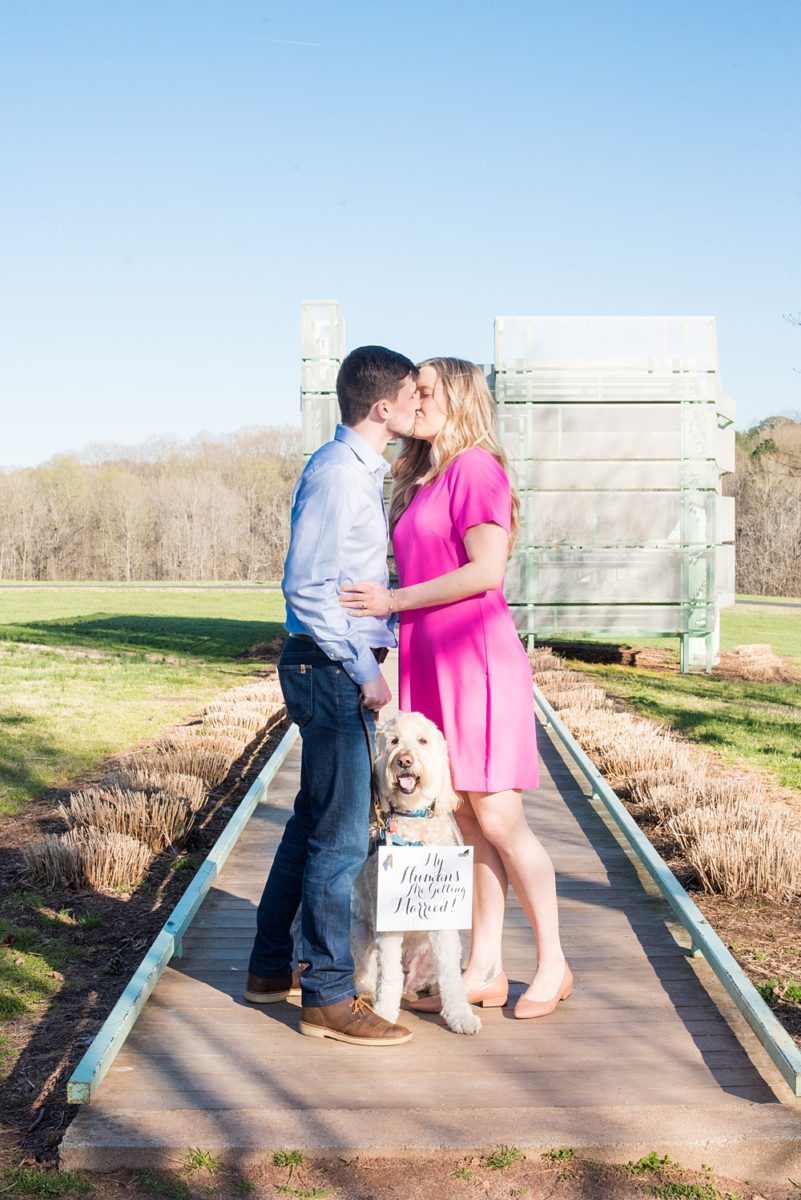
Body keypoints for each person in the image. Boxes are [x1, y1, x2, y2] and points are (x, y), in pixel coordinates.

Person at [341, 357, 572, 1019]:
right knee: (465, 821)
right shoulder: (423, 475)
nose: (412, 399)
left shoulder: (475, 468)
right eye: (410, 389)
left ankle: (553, 963)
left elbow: (485, 571)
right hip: (431, 659)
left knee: (499, 819)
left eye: (425, 390)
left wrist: (392, 599)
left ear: (458, 400)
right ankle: (484, 967)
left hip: (476, 662)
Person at [245, 345, 421, 1046]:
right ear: (382, 408)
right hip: (329, 667)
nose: (418, 407)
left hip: (331, 664)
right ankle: (325, 994)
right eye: (412, 397)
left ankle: (268, 968)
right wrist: (364, 668)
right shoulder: (339, 477)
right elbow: (307, 588)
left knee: (312, 822)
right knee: (341, 839)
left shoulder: (356, 472)